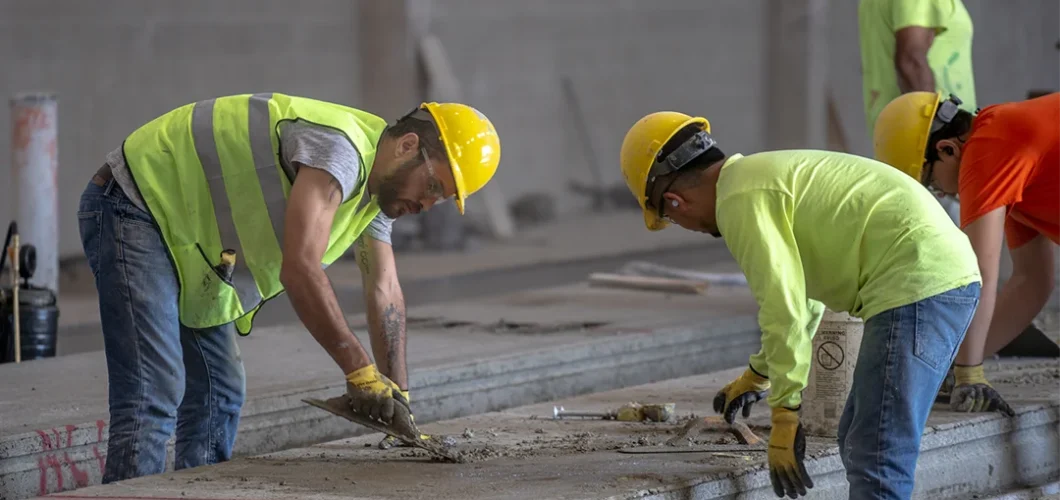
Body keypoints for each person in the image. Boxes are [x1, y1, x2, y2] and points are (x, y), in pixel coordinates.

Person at [76, 92, 501, 482]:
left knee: (219, 389)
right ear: (408, 146)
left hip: (188, 237)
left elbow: (384, 288)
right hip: (135, 202)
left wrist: (397, 394)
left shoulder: (376, 191)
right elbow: (299, 269)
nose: (426, 206)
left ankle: (195, 488)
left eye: (439, 199)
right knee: (155, 387)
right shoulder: (340, 153)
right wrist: (359, 370)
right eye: (431, 187)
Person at [618, 111, 981, 498]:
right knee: (861, 438)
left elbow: (782, 308)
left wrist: (785, 414)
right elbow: (804, 298)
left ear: (674, 202)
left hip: (917, 284)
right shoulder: (758, 179)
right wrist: (760, 374)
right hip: (933, 279)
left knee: (877, 453)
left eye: (670, 219)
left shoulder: (740, 199)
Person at [873, 90, 1060, 416]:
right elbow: (1032, 281)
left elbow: (975, 274)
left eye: (931, 182)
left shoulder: (988, 146)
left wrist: (969, 373)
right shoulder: (1009, 156)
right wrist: (953, 364)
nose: (942, 193)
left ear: (946, 149)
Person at [858, 0, 977, 226]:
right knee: (959, 254)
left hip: (919, 150)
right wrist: (936, 141)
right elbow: (910, 60)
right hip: (937, 155)